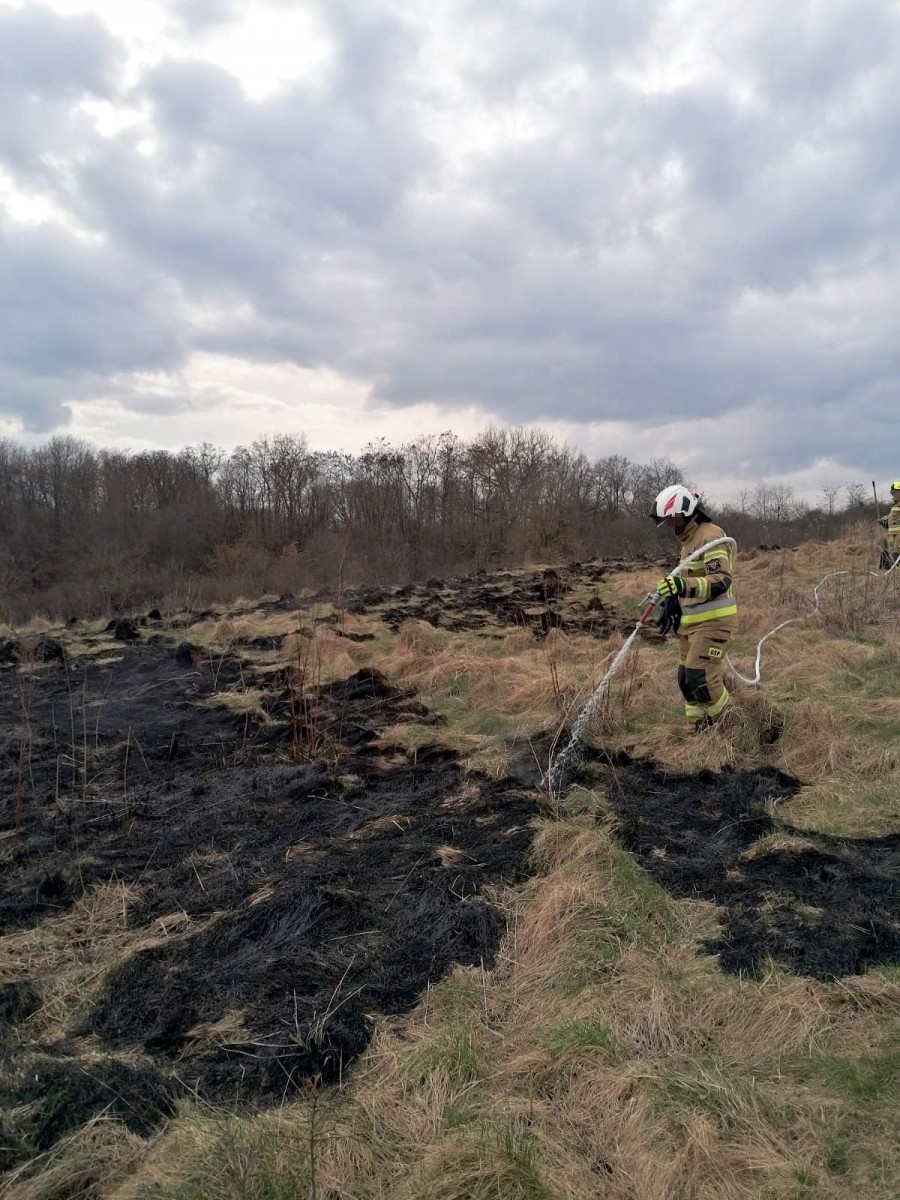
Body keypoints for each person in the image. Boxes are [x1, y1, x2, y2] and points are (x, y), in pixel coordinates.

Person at [650, 485, 738, 732]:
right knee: (686, 681)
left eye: (672, 519)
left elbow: (721, 580)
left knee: (701, 678)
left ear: (686, 512)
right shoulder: (688, 541)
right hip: (692, 625)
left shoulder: (709, 536)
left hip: (714, 623)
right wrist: (673, 601)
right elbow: (691, 580)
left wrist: (681, 585)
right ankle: (698, 732)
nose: (670, 525)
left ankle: (734, 728)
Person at [877, 481, 900, 569]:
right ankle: (896, 567)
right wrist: (884, 520)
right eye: (893, 493)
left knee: (898, 549)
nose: (894, 495)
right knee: (894, 550)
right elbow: (892, 517)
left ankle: (898, 567)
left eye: (896, 493)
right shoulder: (895, 505)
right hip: (894, 533)